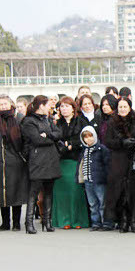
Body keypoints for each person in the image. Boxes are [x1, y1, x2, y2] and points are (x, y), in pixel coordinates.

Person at [0, 95, 28, 231]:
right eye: (0, 104)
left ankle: (16, 223)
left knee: (16, 191)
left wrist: (24, 156)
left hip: (16, 161)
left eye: (5, 104)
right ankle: (5, 222)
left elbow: (27, 138)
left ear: (11, 105)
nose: (3, 106)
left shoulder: (19, 119)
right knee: (2, 192)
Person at [21, 95, 61, 234]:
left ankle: (47, 221)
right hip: (37, 159)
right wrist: (50, 137)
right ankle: (29, 223)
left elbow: (58, 133)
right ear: (41, 106)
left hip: (51, 159)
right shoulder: (28, 121)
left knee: (49, 191)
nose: (50, 107)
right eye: (47, 104)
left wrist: (47, 135)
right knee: (34, 192)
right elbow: (37, 139)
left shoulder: (48, 119)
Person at [104, 97, 135, 232]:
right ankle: (123, 220)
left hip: (133, 158)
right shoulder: (112, 122)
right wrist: (122, 143)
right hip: (118, 159)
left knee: (134, 191)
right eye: (120, 107)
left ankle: (134, 220)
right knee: (119, 191)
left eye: (125, 106)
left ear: (129, 107)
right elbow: (107, 141)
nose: (122, 109)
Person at [51, 96, 89, 230]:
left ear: (73, 108)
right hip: (60, 160)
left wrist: (73, 144)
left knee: (76, 190)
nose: (64, 109)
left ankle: (78, 219)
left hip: (76, 160)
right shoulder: (56, 123)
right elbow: (53, 139)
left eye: (67, 106)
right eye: (62, 106)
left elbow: (87, 138)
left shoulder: (81, 122)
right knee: (62, 192)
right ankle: (63, 219)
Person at [79, 126, 112, 231]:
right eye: (85, 137)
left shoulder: (101, 149)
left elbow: (107, 164)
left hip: (99, 180)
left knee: (102, 202)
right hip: (87, 180)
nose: (88, 139)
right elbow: (81, 165)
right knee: (92, 203)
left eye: (90, 136)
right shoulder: (84, 150)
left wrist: (107, 177)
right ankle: (96, 223)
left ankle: (106, 222)